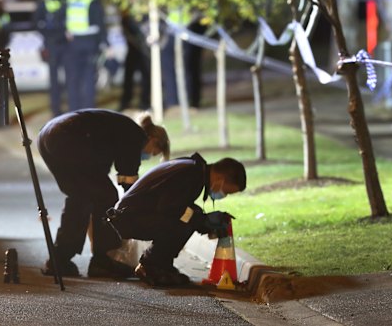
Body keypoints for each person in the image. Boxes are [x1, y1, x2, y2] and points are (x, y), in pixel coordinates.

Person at [37, 109, 170, 278]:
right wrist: (135, 216)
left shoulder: (119, 131)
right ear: (153, 140)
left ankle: (59, 259)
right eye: (152, 153)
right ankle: (102, 259)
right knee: (106, 195)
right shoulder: (135, 137)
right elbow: (129, 184)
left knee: (80, 196)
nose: (147, 157)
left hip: (49, 136)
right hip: (68, 137)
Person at [106, 153, 246, 287]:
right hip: (130, 217)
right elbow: (171, 208)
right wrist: (203, 221)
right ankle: (151, 266)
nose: (223, 195)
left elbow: (176, 206)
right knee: (184, 221)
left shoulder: (193, 169)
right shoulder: (191, 174)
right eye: (226, 191)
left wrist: (203, 222)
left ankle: (162, 265)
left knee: (192, 215)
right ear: (220, 179)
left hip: (132, 214)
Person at [61, 0, 107, 111]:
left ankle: (74, 111)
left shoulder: (70, 0)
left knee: (73, 79)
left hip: (73, 42)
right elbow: (101, 23)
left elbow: (61, 18)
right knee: (89, 79)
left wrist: (65, 32)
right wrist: (104, 42)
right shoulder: (92, 1)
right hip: (90, 42)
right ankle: (89, 112)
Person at [33, 0, 66, 117]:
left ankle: (66, 106)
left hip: (65, 44)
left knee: (69, 78)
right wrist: (48, 34)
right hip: (52, 45)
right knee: (54, 80)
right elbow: (36, 23)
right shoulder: (43, 4)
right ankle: (56, 109)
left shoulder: (64, 1)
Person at [119, 6, 151, 112]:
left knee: (146, 76)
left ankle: (145, 102)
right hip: (133, 49)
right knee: (128, 77)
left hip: (143, 50)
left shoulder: (145, 11)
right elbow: (126, 30)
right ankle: (126, 102)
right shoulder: (127, 13)